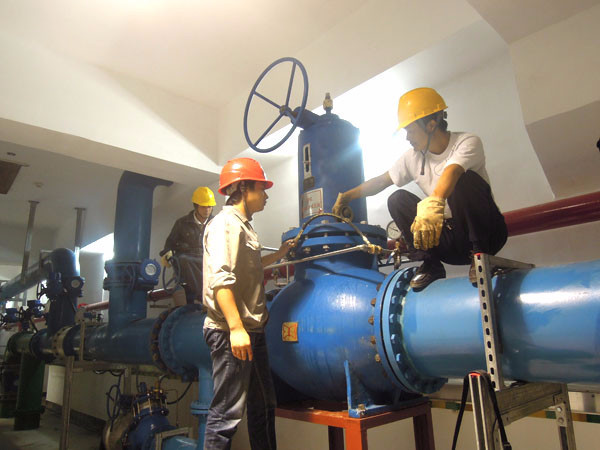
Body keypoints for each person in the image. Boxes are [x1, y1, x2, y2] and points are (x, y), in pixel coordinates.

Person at [333, 87, 507, 290]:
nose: (407, 137)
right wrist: (347, 196)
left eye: (410, 130)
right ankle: (430, 264)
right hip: (452, 243)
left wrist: (434, 202)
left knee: (463, 180)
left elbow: (452, 171)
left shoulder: (467, 142)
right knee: (397, 199)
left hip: (488, 235)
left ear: (431, 125)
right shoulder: (413, 157)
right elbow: (382, 181)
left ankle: (480, 256)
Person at [202, 157, 294, 450]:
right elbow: (221, 281)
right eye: (261, 188)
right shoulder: (225, 225)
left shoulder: (244, 227)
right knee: (225, 416)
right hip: (231, 332)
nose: (266, 195)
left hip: (252, 331)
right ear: (243, 188)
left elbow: (250, 266)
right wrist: (235, 328)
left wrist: (280, 254)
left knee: (263, 406)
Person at [160, 186, 216, 305]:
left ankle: (207, 297)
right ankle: (201, 296)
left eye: (210, 206)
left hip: (207, 260)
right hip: (187, 261)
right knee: (184, 260)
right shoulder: (182, 223)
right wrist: (166, 253)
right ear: (196, 206)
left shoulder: (217, 223)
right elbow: (170, 243)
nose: (207, 210)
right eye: (203, 206)